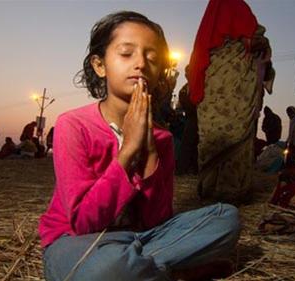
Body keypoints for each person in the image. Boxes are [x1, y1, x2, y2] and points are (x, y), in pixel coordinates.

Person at [38, 11, 240, 281]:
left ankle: (144, 269)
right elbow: (84, 223)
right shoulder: (73, 125)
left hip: (143, 237)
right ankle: (169, 270)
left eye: (152, 58)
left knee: (226, 218)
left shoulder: (162, 138)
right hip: (77, 241)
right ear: (100, 65)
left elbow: (157, 220)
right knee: (106, 271)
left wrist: (151, 153)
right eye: (126, 54)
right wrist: (128, 151)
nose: (141, 64)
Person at [189, 0, 275, 204]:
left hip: (239, 89)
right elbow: (198, 61)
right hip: (216, 90)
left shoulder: (240, 10)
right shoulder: (214, 17)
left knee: (236, 136)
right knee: (213, 135)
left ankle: (232, 191)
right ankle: (211, 189)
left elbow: (259, 44)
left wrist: (257, 45)